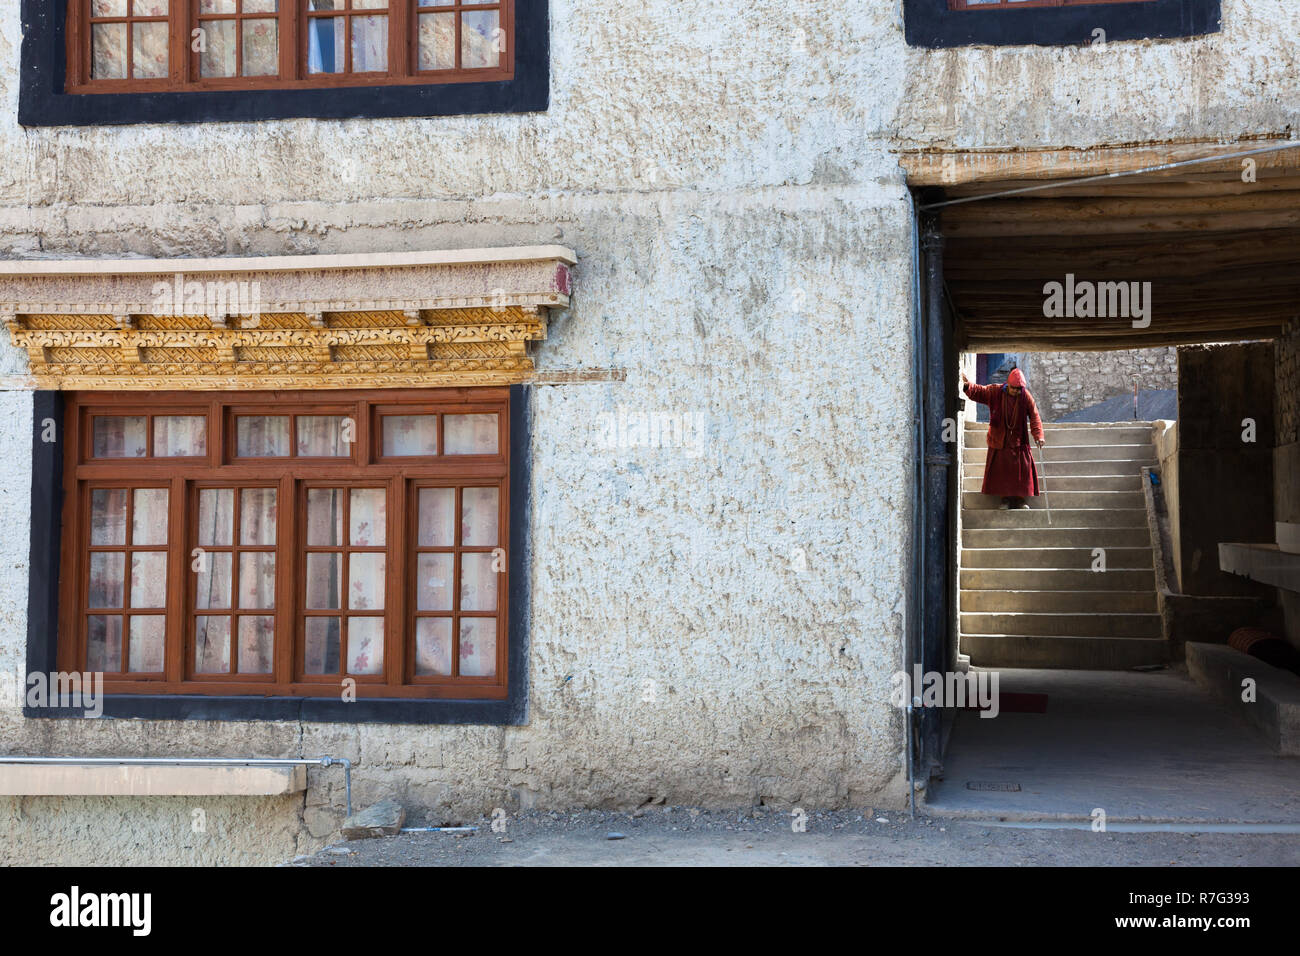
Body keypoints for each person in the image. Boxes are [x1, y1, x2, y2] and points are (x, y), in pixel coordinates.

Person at [960, 367, 1045, 510]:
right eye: (1013, 388)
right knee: (1002, 472)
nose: (1016, 392)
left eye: (1019, 389)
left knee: (1021, 472)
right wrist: (968, 386)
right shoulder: (995, 391)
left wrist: (1038, 435)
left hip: (1018, 440)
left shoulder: (1025, 396)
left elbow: (1035, 416)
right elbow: (981, 392)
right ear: (1008, 384)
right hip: (1000, 439)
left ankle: (1020, 500)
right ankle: (1004, 500)